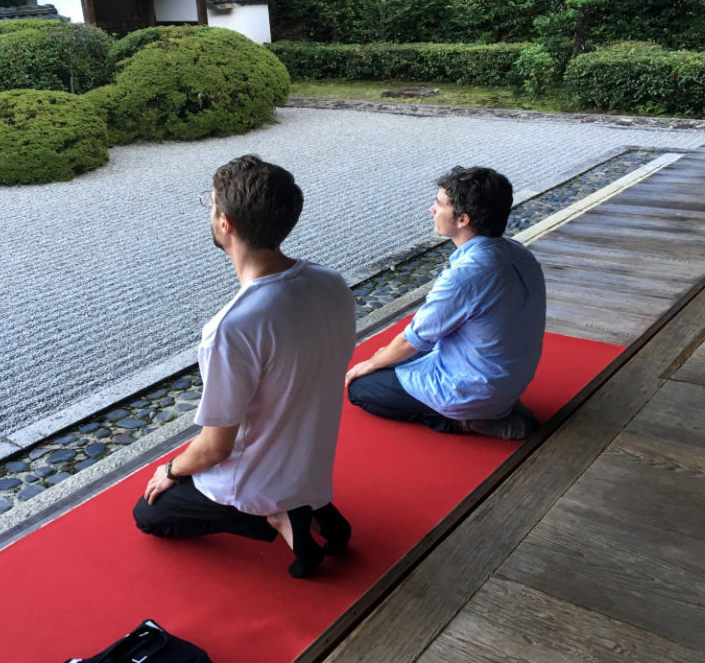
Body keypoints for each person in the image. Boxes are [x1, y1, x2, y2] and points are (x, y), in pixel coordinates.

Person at [133, 155, 357, 578]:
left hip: (251, 482)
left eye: (211, 205)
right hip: (311, 465)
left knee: (149, 514)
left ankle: (274, 515)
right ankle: (305, 505)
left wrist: (169, 469)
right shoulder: (331, 282)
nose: (212, 213)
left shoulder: (233, 327)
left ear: (226, 223)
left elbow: (215, 447)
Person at [345, 166, 546, 439]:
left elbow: (413, 340)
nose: (432, 209)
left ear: (462, 219)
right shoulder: (518, 253)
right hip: (509, 379)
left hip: (474, 390)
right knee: (393, 357)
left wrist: (371, 363)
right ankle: (496, 408)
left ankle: (467, 421)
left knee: (362, 387)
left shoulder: (465, 277)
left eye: (439, 204)